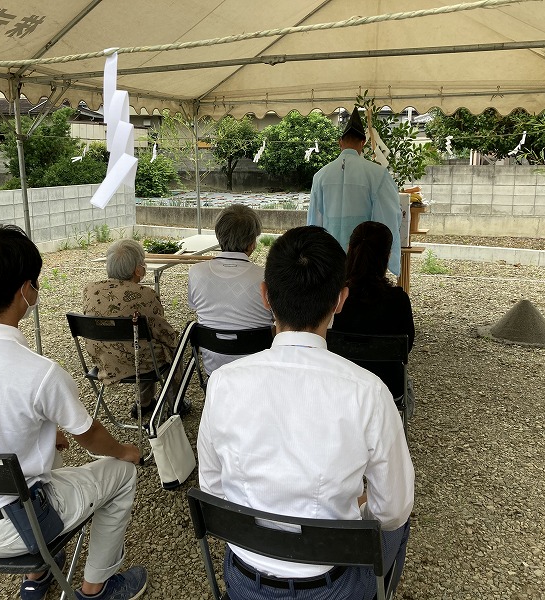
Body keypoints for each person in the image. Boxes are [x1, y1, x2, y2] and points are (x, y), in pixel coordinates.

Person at [0, 225, 146, 600]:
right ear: (26, 290)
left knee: (49, 453)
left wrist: (48, 433)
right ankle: (97, 588)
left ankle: (37, 575)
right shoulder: (40, 372)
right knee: (122, 473)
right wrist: (125, 450)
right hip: (12, 529)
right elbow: (90, 435)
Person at [198, 225, 414, 600]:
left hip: (245, 580)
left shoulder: (223, 383)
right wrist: (355, 509)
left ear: (265, 295)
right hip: (334, 586)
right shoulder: (368, 392)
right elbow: (392, 510)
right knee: (400, 519)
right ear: (340, 300)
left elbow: (213, 489)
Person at [83, 238, 179, 418]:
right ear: (137, 270)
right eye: (143, 263)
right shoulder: (146, 295)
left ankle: (144, 403)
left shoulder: (91, 291)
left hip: (105, 359)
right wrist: (176, 341)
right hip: (139, 361)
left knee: (142, 342)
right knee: (167, 348)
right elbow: (163, 332)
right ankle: (176, 404)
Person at [332, 220, 416, 419]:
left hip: (339, 388)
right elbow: (407, 346)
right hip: (388, 391)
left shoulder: (333, 296)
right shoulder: (398, 299)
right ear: (387, 257)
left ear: (349, 250)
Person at [307, 107, 403, 276]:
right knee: (361, 289)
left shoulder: (320, 175)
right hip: (364, 255)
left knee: (336, 290)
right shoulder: (377, 174)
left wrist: (314, 255)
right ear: (363, 143)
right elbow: (388, 216)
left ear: (340, 142)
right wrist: (389, 257)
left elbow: (314, 220)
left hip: (331, 254)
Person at [188, 204, 273, 376]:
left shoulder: (196, 272)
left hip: (214, 370)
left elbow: (194, 306)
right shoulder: (266, 277)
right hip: (257, 369)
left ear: (219, 235)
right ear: (252, 243)